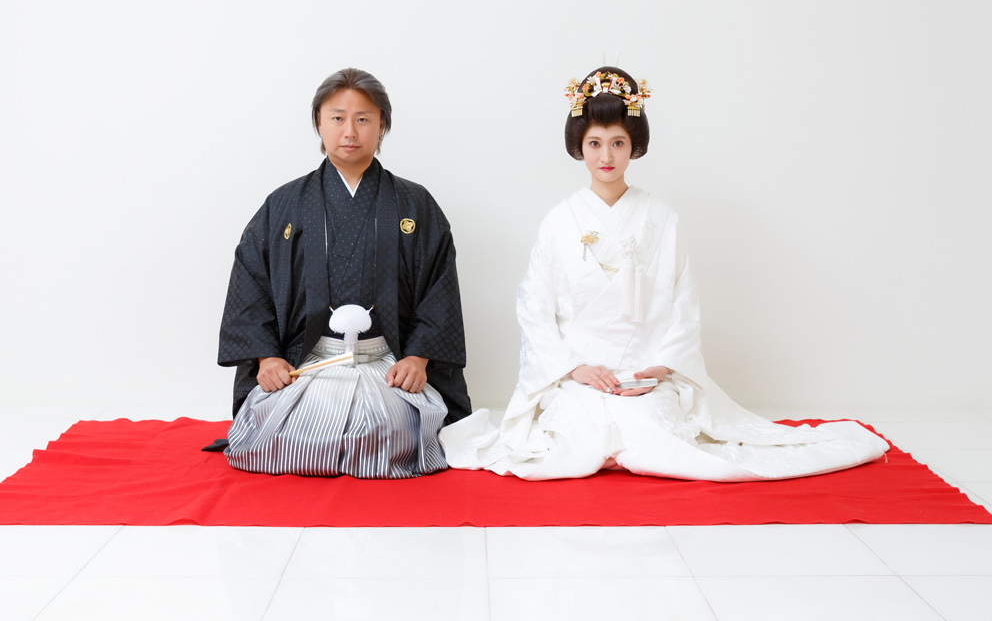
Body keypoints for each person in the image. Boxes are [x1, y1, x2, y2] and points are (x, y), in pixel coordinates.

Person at [440, 66, 888, 481]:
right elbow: (534, 306)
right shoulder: (559, 222)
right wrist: (574, 368)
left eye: (618, 143)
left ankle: (627, 441)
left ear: (633, 146)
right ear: (580, 147)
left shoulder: (661, 219)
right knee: (579, 441)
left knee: (650, 434)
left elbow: (682, 304)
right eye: (595, 143)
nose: (606, 156)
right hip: (578, 376)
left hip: (644, 374)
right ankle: (603, 441)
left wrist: (658, 368)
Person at [217, 68, 470, 478]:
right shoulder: (284, 204)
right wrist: (267, 357)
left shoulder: (415, 204)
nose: (349, 131)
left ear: (382, 125)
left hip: (387, 363)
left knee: (389, 433)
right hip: (306, 362)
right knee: (291, 435)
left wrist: (418, 357)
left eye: (363, 119)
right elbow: (251, 282)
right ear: (319, 123)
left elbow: (439, 288)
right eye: (337, 118)